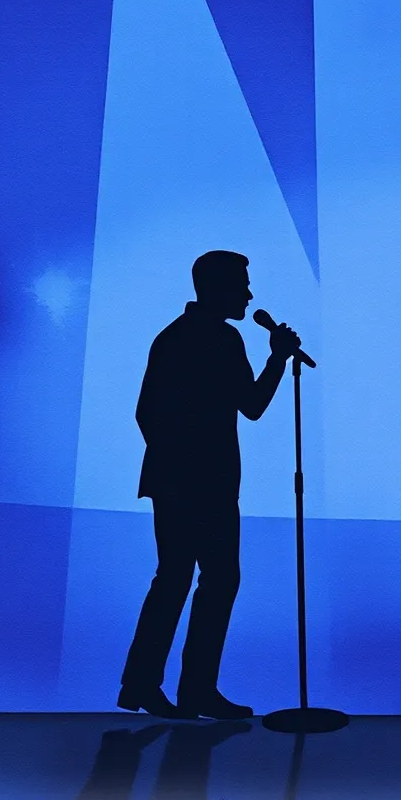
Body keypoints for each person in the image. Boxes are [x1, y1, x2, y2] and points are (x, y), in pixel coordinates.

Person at [117, 250, 302, 720]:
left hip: (192, 482)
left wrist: (277, 359)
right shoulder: (202, 339)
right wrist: (277, 358)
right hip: (197, 484)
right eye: (242, 285)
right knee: (199, 580)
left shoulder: (197, 337)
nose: (249, 295)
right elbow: (153, 412)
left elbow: (245, 406)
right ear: (218, 288)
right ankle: (177, 687)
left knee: (186, 579)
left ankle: (159, 686)